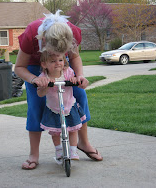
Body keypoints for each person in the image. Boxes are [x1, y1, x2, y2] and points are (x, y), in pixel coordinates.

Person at [15, 10, 103, 170]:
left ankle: (83, 142)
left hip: (63, 65)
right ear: (44, 41)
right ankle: (33, 154)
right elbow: (19, 67)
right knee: (37, 105)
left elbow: (74, 57)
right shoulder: (31, 33)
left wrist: (80, 76)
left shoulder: (72, 31)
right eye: (54, 52)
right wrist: (35, 80)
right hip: (36, 68)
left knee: (80, 96)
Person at [37, 51, 86, 161]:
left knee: (73, 129)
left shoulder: (67, 72)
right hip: (53, 109)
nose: (58, 63)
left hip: (69, 106)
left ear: (64, 61)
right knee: (55, 132)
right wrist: (45, 86)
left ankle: (73, 151)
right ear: (44, 64)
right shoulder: (43, 77)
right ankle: (59, 149)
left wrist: (74, 79)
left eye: (60, 60)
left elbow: (74, 78)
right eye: (53, 61)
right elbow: (40, 94)